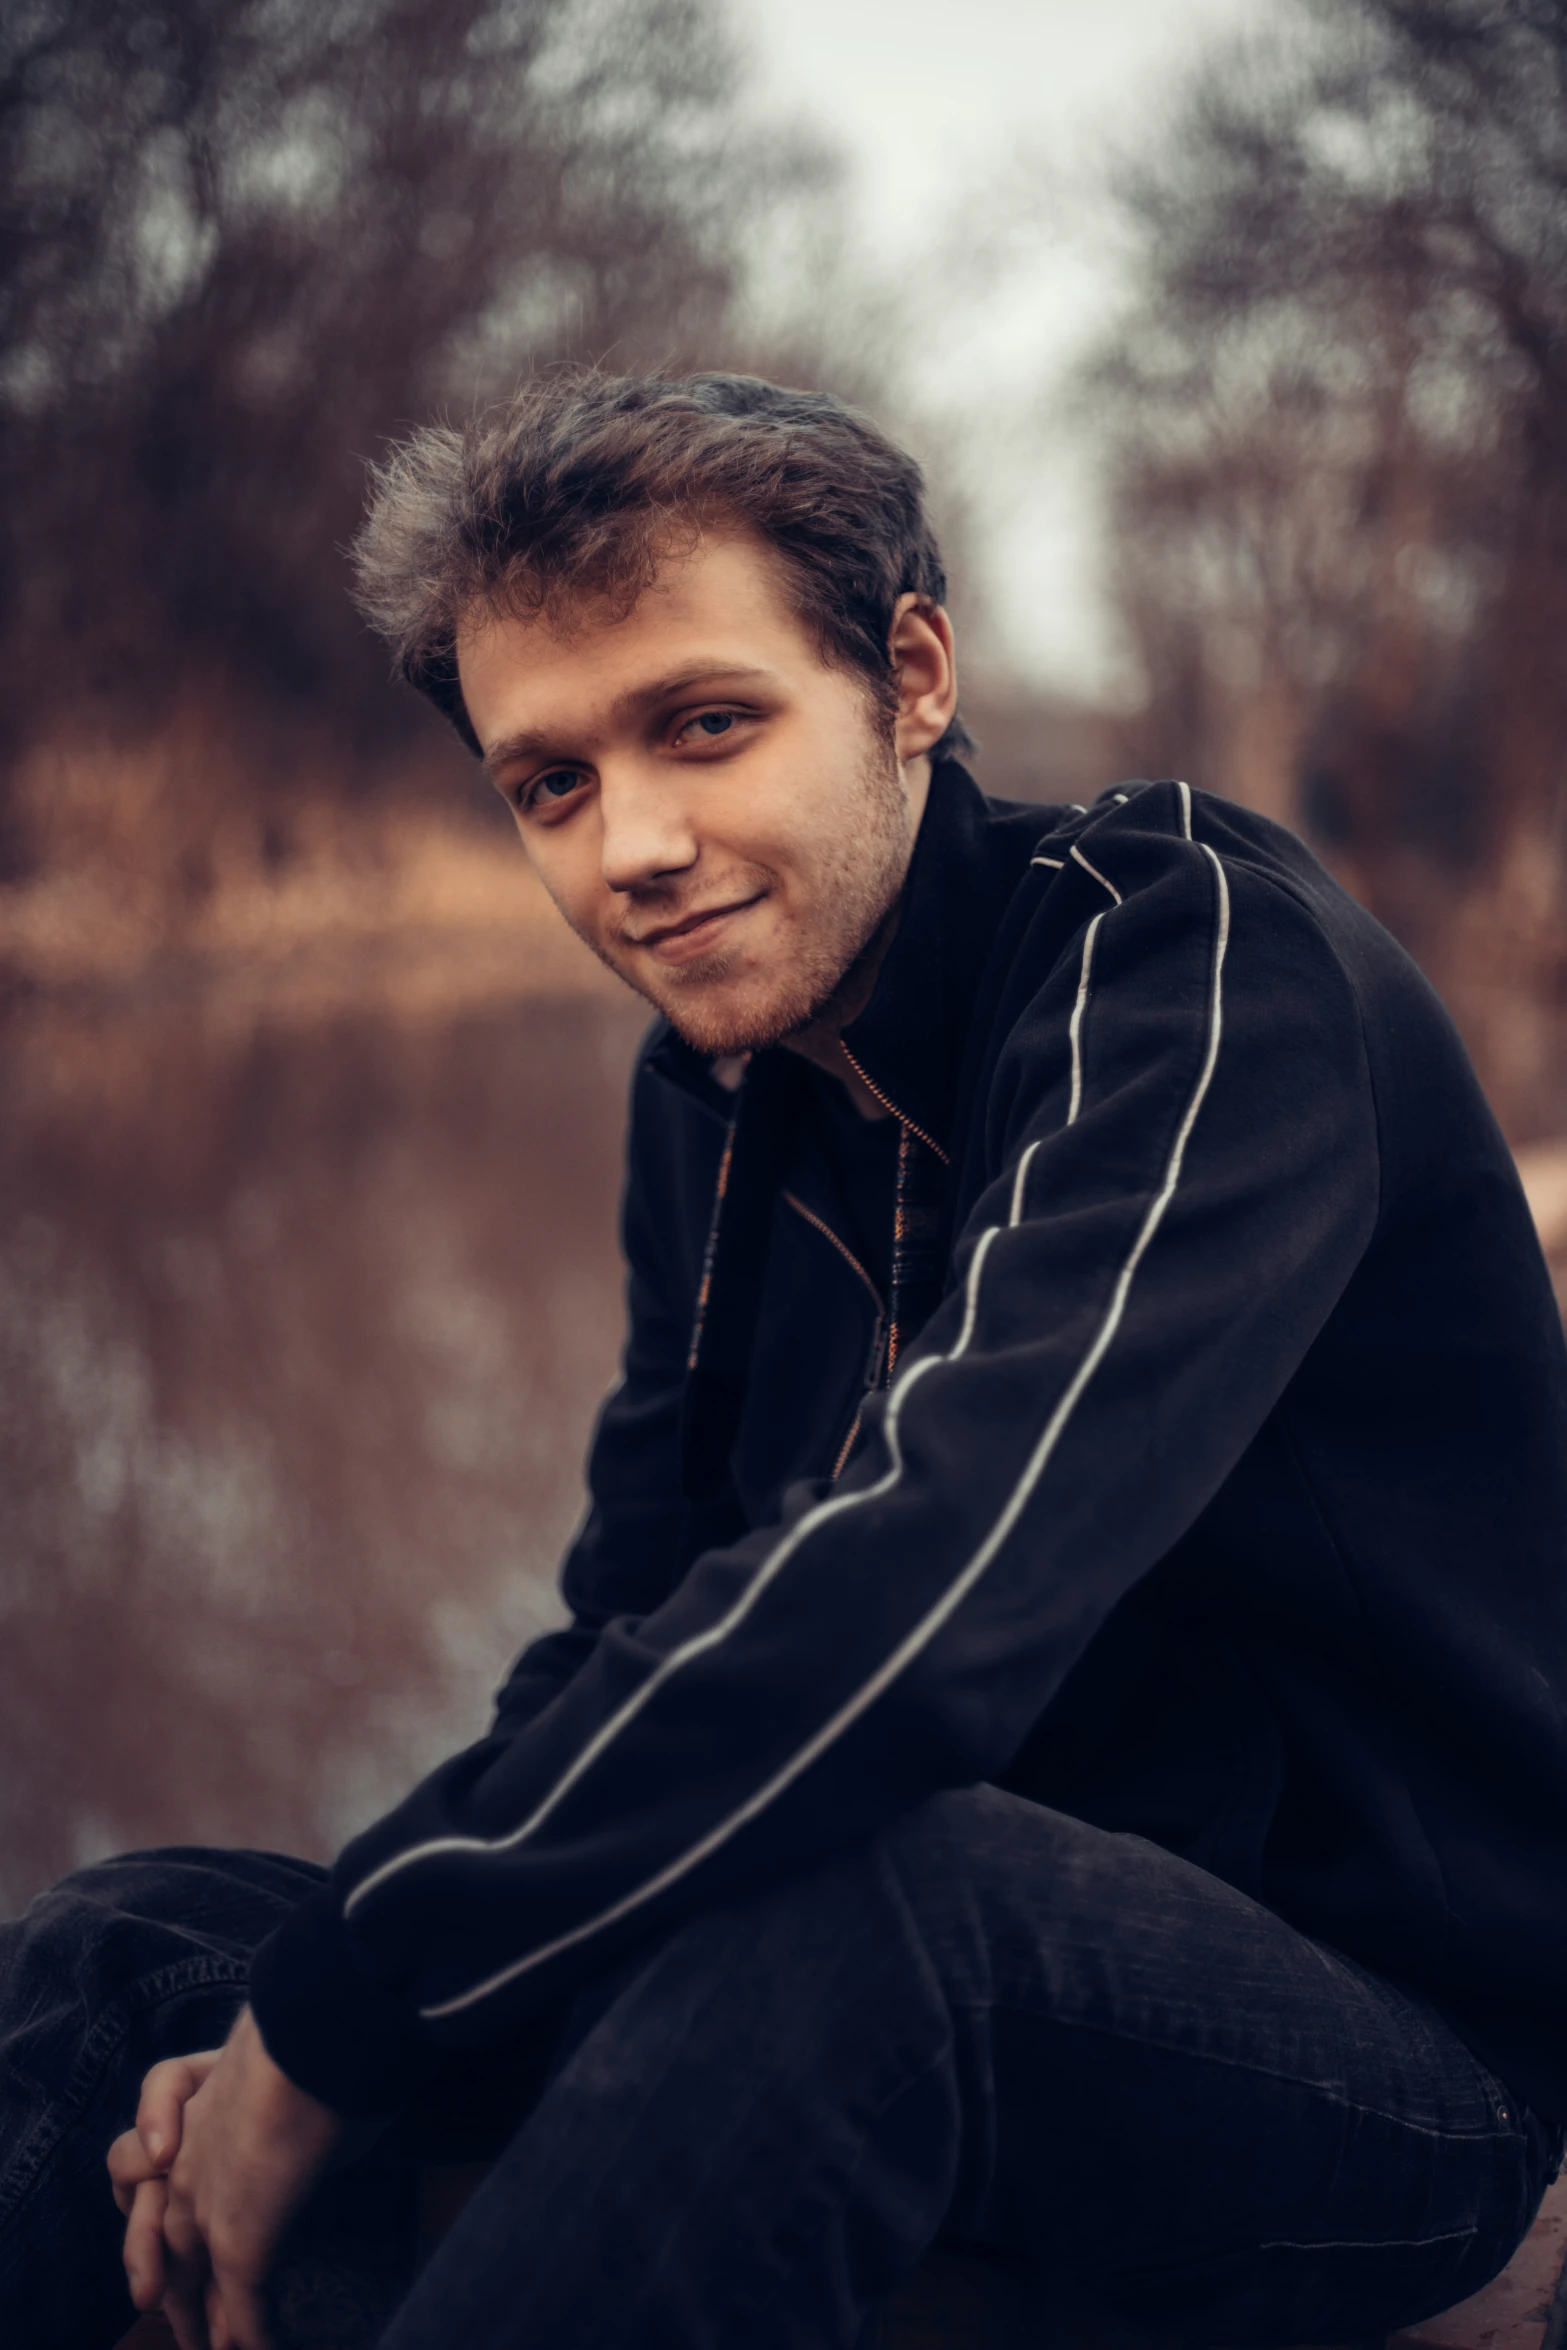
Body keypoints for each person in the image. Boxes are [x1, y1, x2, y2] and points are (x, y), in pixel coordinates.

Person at [4, 369, 1567, 2350]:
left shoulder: (1188, 965)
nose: (630, 845)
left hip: (1395, 2060)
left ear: (910, 673)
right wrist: (315, 1986)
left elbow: (939, 1586)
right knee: (132, 1951)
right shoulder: (719, 1098)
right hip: (935, 1944)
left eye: (705, 724)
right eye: (547, 782)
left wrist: (342, 2022)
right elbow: (629, 1629)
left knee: (851, 1918)